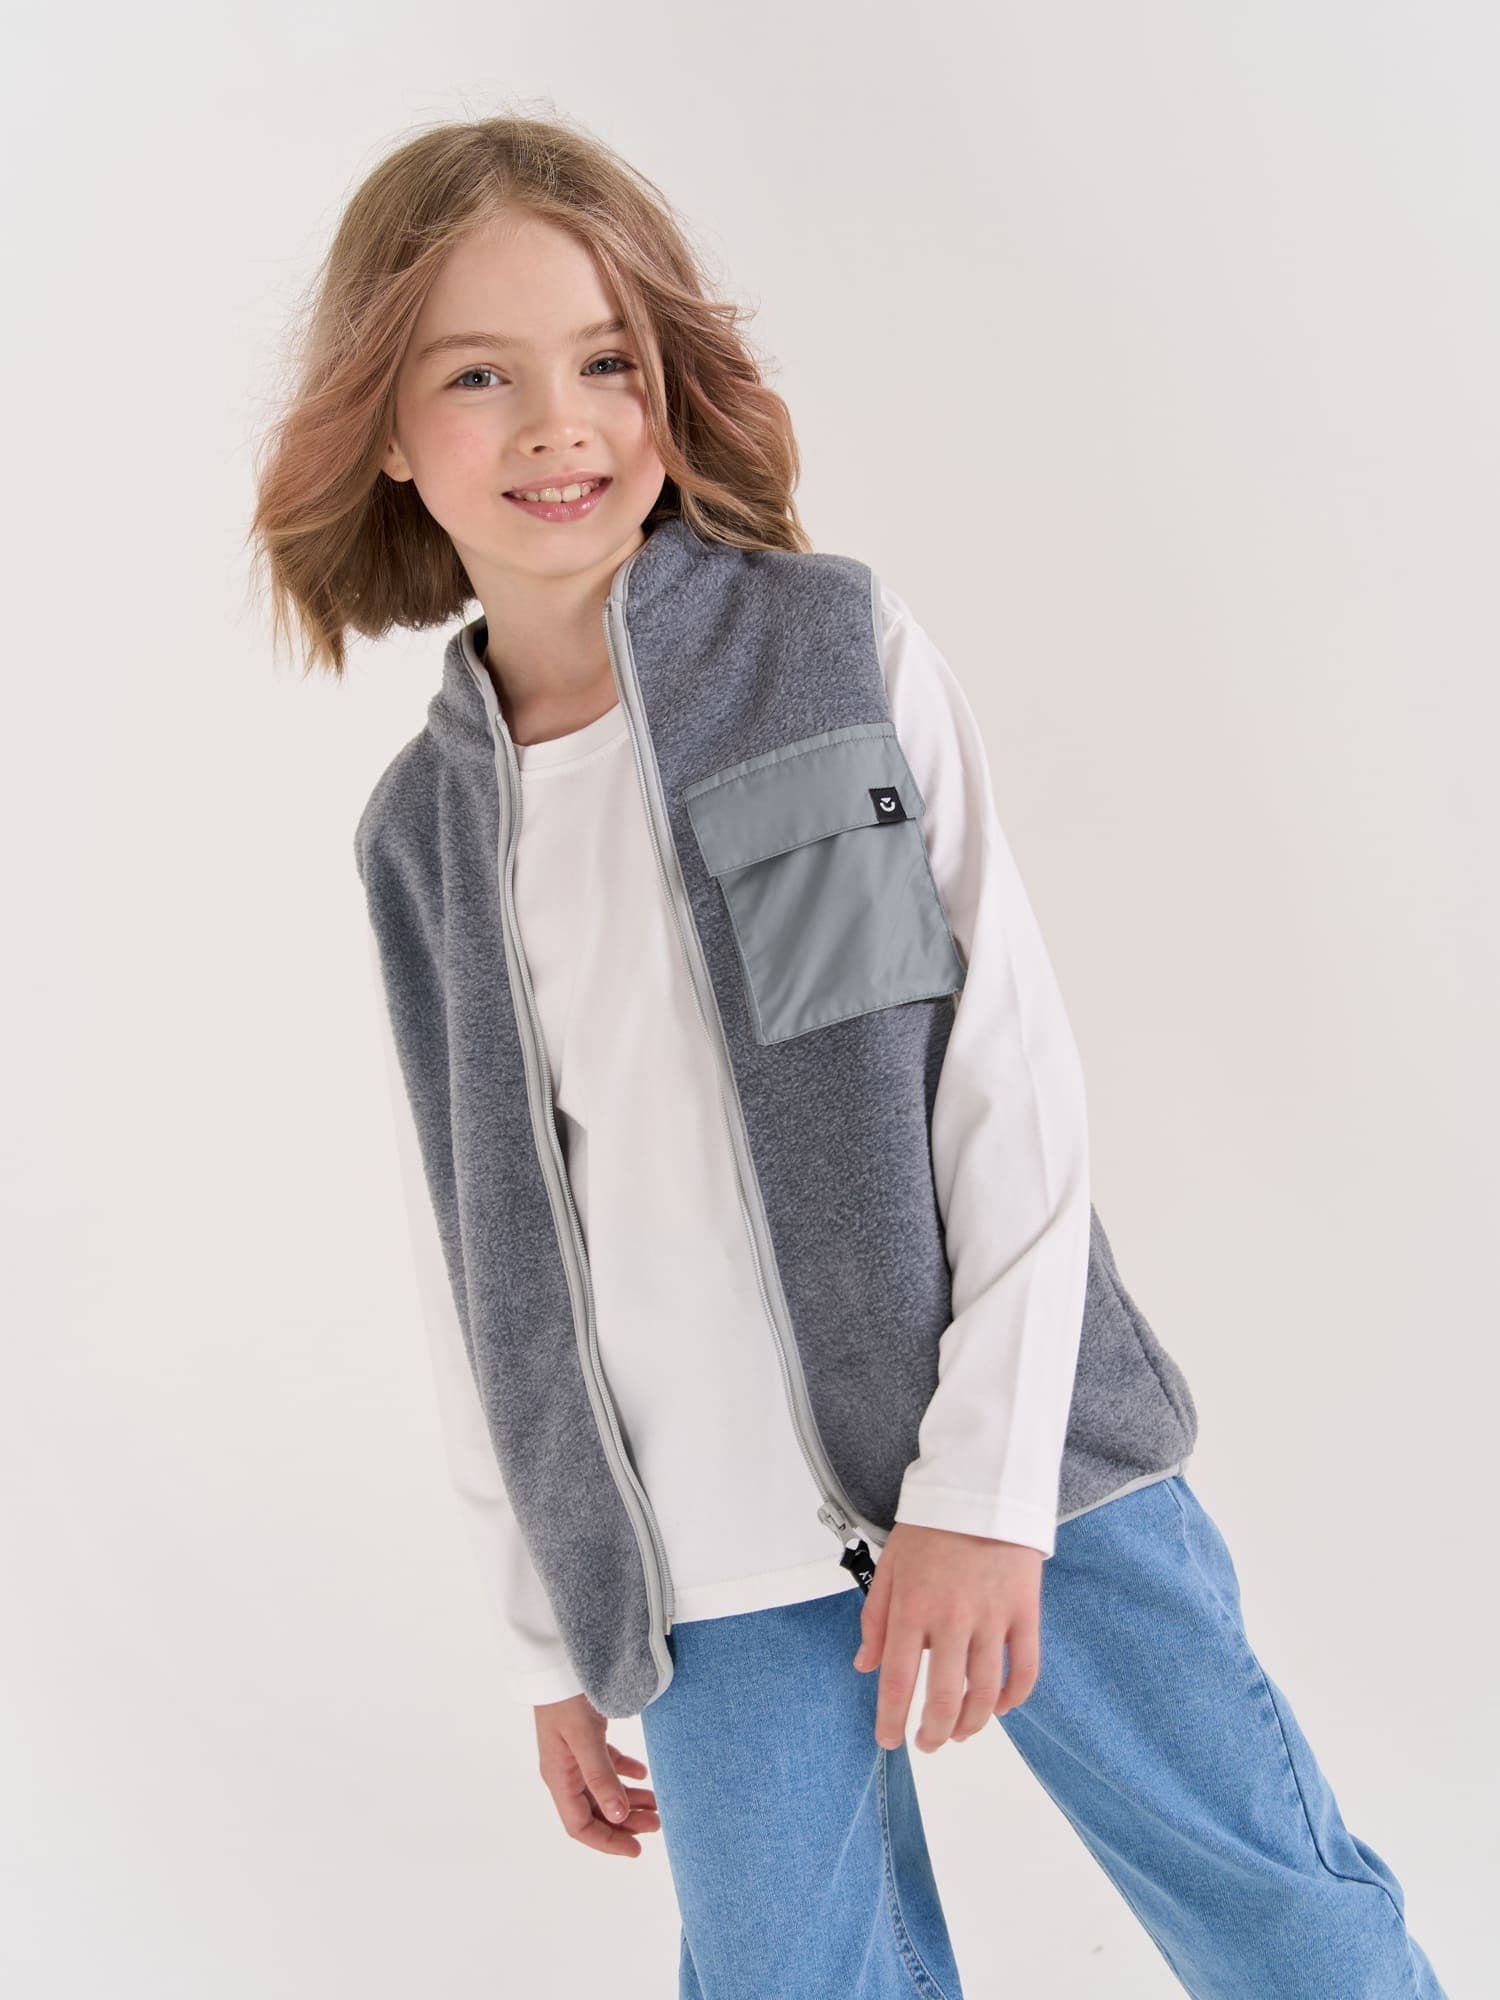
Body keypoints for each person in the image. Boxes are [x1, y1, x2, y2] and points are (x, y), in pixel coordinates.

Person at [250, 112, 1449, 1999]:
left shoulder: (823, 653)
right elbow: (470, 1252)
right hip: (697, 1554)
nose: (559, 424)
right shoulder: (421, 838)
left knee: (1282, 1917)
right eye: (479, 375)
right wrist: (550, 1631)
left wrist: (977, 1488)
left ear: (670, 381)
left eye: (606, 362)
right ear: (386, 429)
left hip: (1030, 1457)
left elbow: (995, 1075)